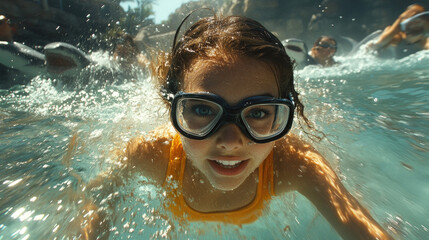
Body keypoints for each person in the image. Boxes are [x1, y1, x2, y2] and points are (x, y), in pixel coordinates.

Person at [80, 14, 392, 239]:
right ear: (172, 110)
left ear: (281, 115)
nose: (231, 141)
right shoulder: (147, 154)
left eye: (257, 114)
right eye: (203, 109)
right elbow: (99, 203)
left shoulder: (295, 164)